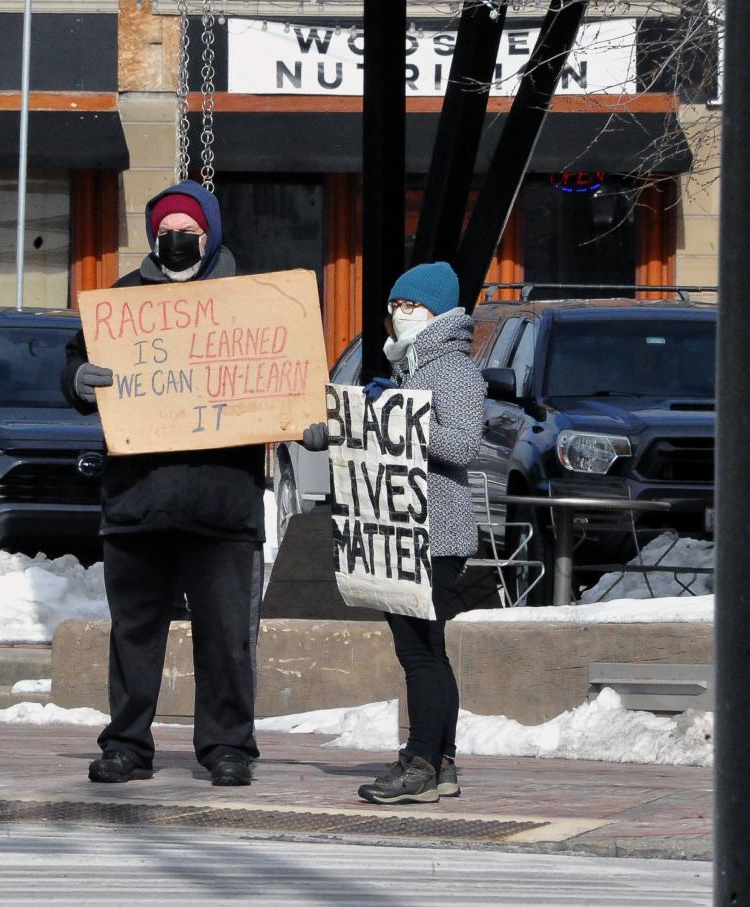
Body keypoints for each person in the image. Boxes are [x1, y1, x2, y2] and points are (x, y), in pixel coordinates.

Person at [62, 179, 264, 787]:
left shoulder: (248, 304)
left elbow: (285, 373)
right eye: (167, 233)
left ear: (211, 235)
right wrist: (78, 378)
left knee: (227, 637)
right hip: (138, 500)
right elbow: (72, 365)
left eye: (189, 233)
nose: (176, 242)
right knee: (134, 634)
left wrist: (301, 417)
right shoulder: (121, 303)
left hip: (222, 502)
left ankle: (229, 746)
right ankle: (126, 743)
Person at [302, 261, 486, 804]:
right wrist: (340, 430)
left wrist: (399, 419)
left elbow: (461, 446)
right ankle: (439, 762)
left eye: (412, 306)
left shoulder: (449, 368)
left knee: (420, 653)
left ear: (438, 312)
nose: (400, 315)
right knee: (428, 651)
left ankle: (422, 763)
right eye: (395, 306)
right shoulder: (414, 369)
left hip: (433, 533)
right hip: (410, 528)